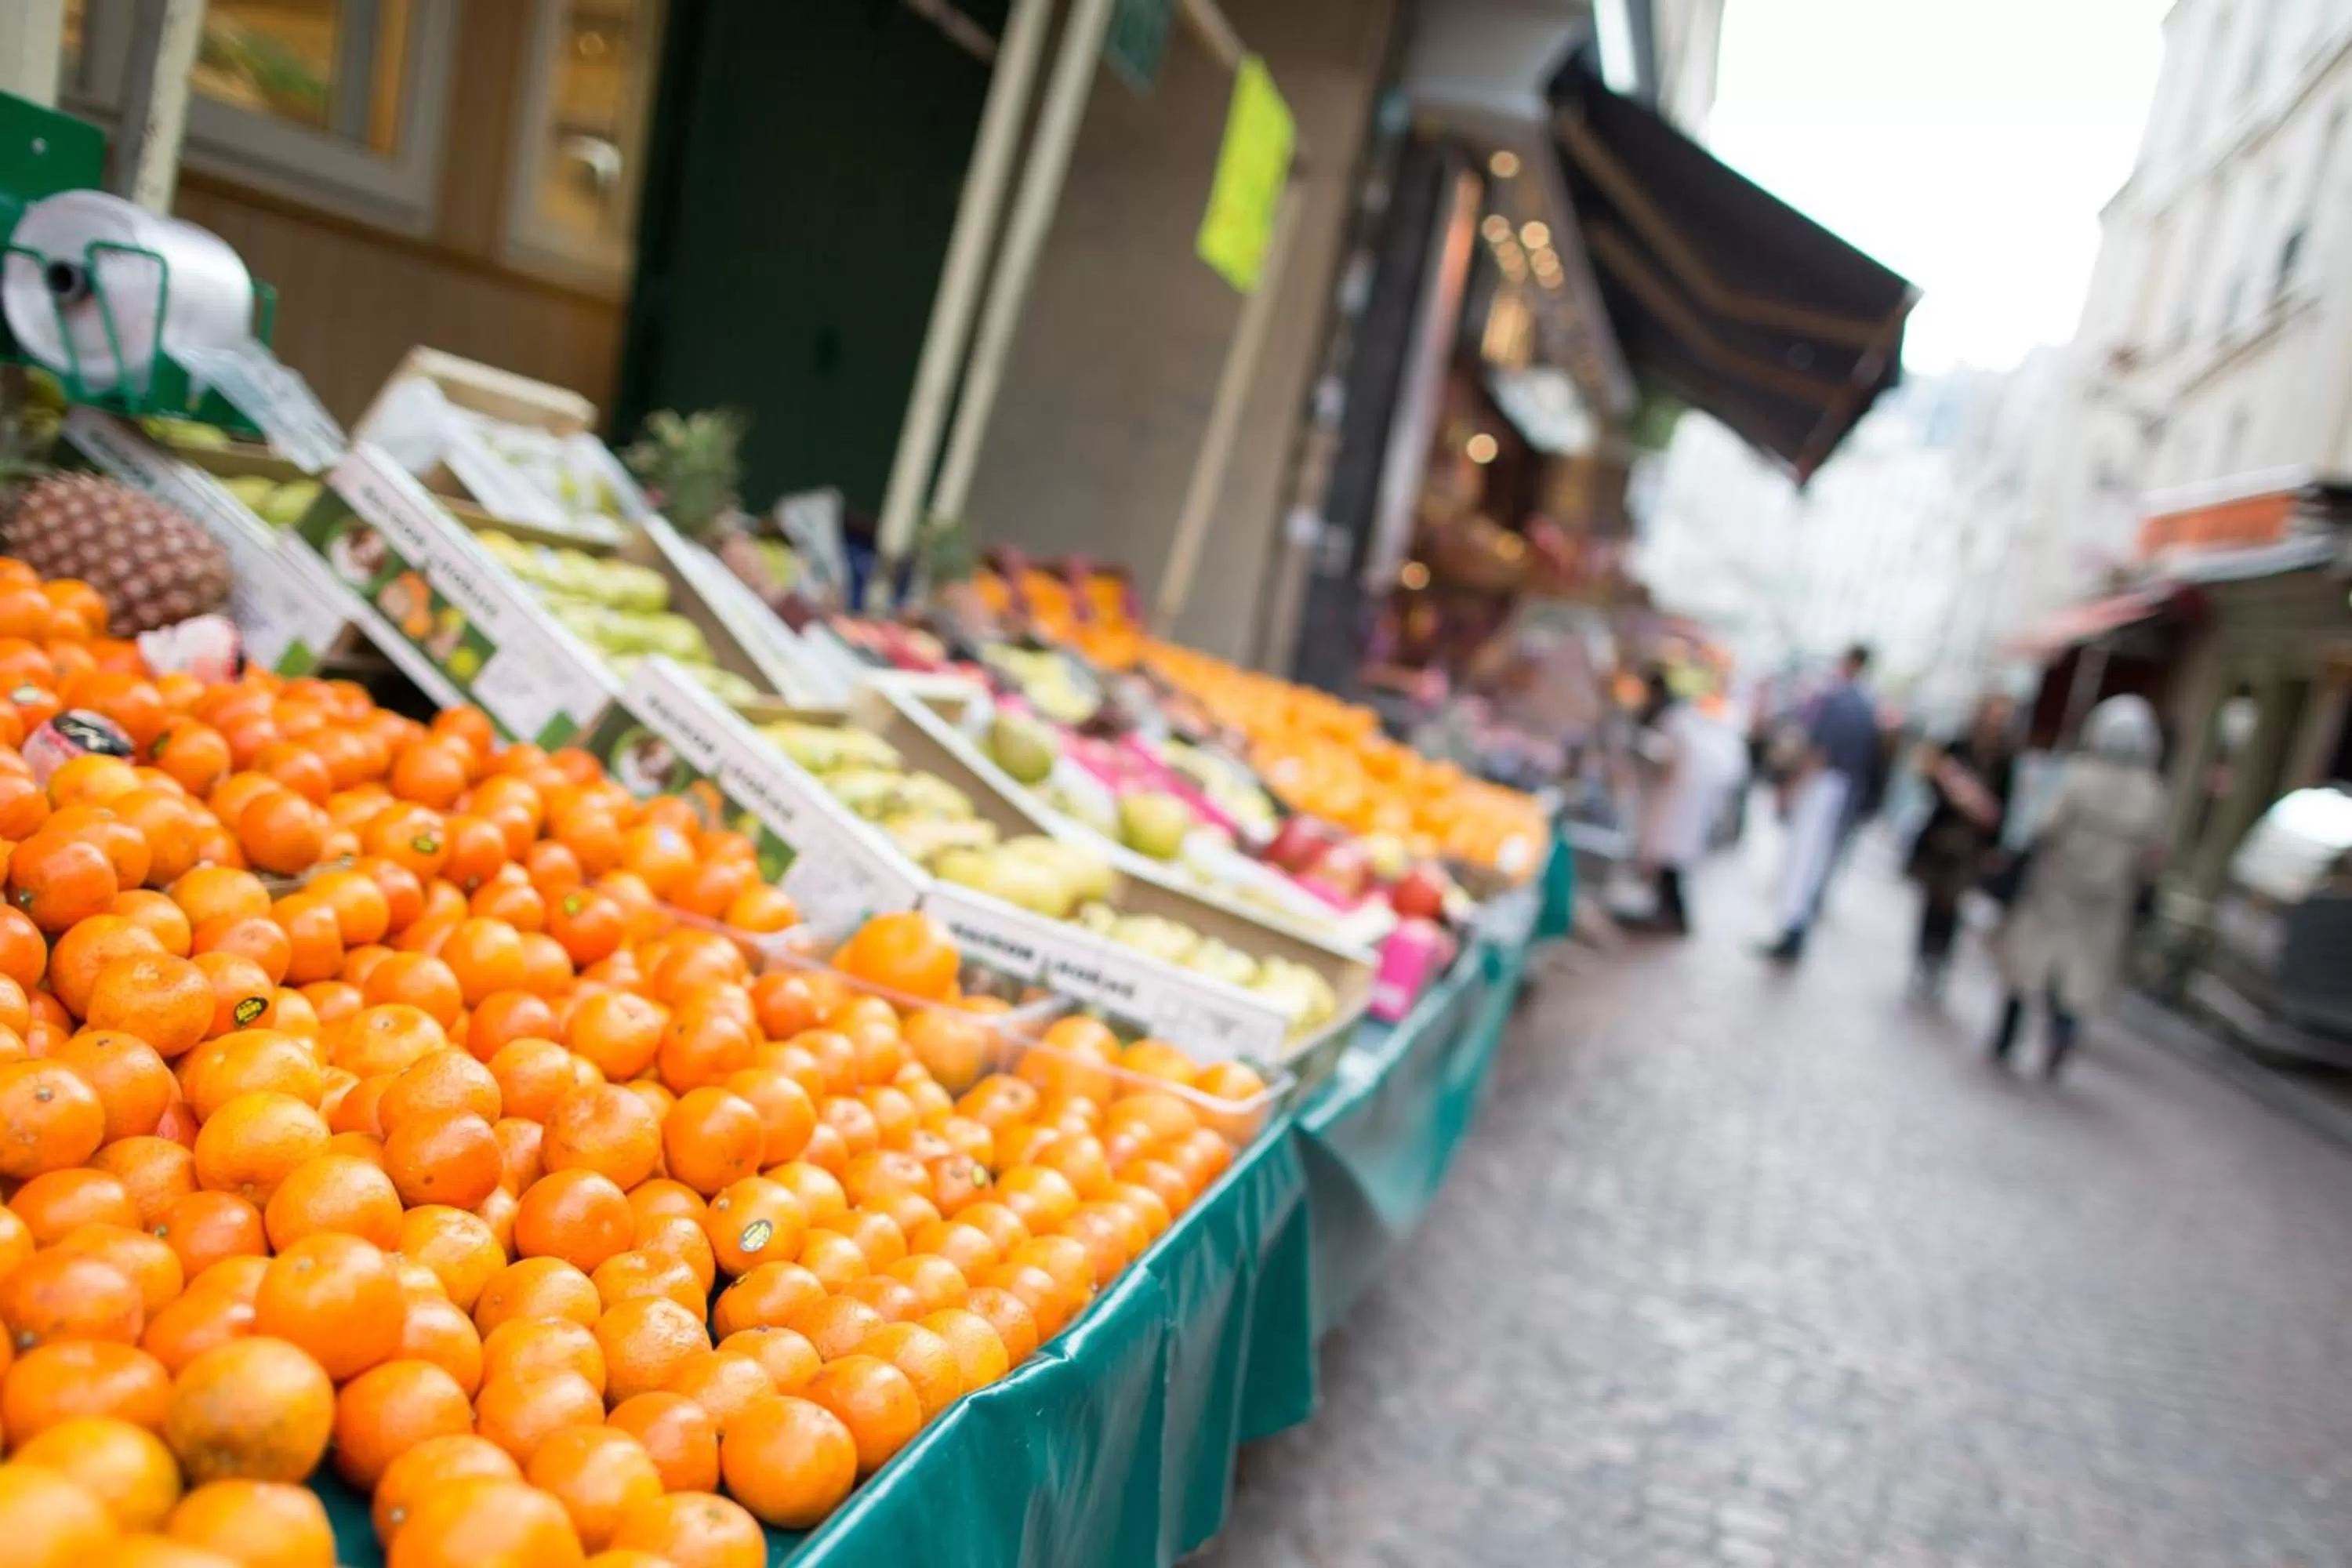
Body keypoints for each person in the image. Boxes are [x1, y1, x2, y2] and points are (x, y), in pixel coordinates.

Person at [1990, 695, 2168, 1078]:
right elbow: (2153, 854)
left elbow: (2046, 825)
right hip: (2107, 898)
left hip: (2056, 884)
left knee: (2029, 960)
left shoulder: (2078, 775)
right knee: (2080, 971)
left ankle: (2007, 1034)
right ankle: (2062, 1033)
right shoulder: (2151, 791)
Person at [1760, 645, 1880, 963]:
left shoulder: (1841, 700)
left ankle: (1791, 930)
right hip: (1841, 790)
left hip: (1823, 785)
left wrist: (1794, 788)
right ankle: (1794, 928)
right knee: (1813, 861)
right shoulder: (1866, 703)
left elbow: (1820, 752)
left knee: (1802, 860)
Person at [1905, 695, 2016, 999]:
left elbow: (2003, 805)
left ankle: (1938, 960)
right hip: (1942, 836)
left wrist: (1994, 843)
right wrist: (1952, 791)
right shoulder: (1958, 745)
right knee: (1932, 899)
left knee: (1953, 904)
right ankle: (1924, 954)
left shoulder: (2005, 758)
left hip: (1971, 846)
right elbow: (1931, 780)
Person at [1629, 670, 1709, 934]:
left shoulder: (1674, 720)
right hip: (1675, 801)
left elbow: (1669, 760)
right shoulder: (1679, 718)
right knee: (1668, 861)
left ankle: (1672, 917)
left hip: (1675, 802)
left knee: (1669, 861)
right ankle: (1667, 913)